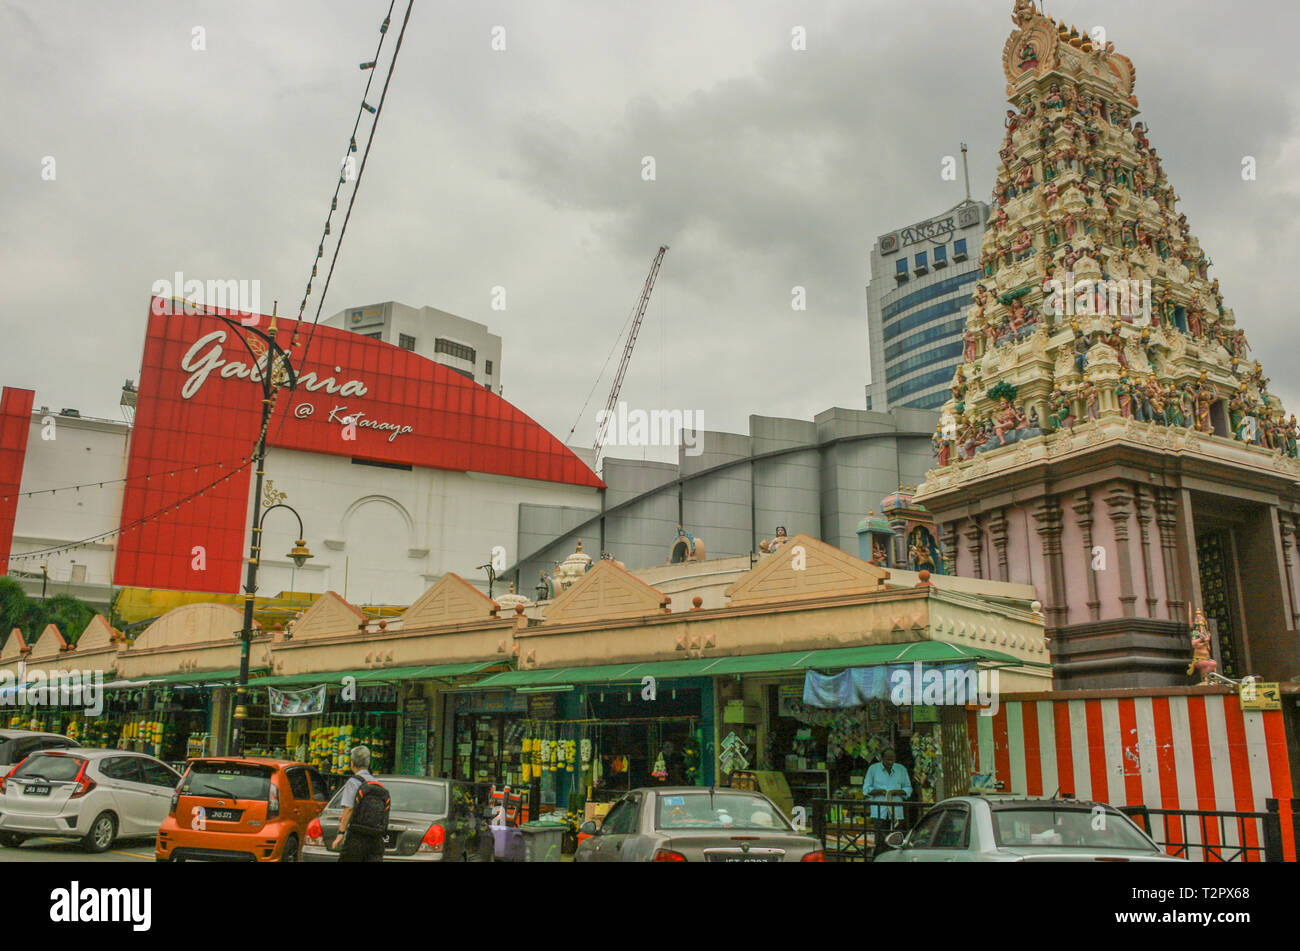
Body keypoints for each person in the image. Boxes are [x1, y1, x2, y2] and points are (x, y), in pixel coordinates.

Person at [334, 745, 386, 862]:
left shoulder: (353, 782)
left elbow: (349, 809)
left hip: (357, 836)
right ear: (368, 764)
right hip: (376, 838)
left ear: (352, 764)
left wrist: (341, 833)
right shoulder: (376, 783)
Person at [864, 748, 912, 855]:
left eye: (892, 759)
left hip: (896, 812)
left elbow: (908, 788)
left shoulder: (901, 769)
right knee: (880, 841)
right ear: (882, 759)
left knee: (896, 840)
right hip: (879, 811)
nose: (890, 762)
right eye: (888, 760)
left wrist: (897, 792)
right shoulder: (873, 769)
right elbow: (866, 789)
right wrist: (879, 791)